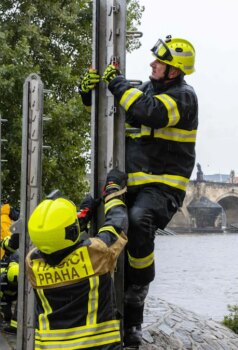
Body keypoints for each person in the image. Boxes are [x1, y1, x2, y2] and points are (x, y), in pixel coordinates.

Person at [79, 35, 198, 346]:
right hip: (133, 182)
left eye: (159, 62)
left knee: (138, 218)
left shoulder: (184, 97)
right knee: (93, 214)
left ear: (174, 71)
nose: (152, 64)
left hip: (163, 187)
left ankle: (137, 295)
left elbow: (150, 111)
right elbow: (112, 107)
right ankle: (98, 308)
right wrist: (89, 90)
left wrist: (116, 83)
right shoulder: (144, 89)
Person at [26, 168, 128, 350]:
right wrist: (112, 191)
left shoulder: (32, 263)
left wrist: (81, 216)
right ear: (71, 231)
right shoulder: (95, 253)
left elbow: (55, 242)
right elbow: (116, 224)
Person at [0, 253, 19, 334]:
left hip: (17, 295)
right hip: (5, 297)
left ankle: (15, 326)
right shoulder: (1, 278)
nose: (13, 285)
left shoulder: (24, 280)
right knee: (7, 316)